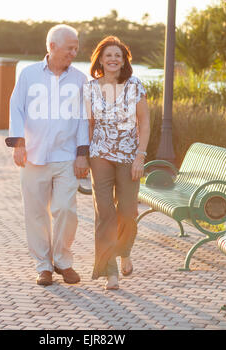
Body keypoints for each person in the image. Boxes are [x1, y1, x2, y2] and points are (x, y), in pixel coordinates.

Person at [5, 24, 89, 286]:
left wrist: (82, 153)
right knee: (36, 213)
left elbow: (83, 118)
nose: (74, 53)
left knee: (66, 209)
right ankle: (43, 265)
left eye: (76, 48)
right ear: (52, 46)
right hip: (33, 154)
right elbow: (16, 108)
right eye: (70, 48)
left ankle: (62, 260)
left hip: (66, 156)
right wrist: (18, 143)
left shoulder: (79, 79)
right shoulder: (29, 74)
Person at [84, 36, 150, 290]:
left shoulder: (135, 85)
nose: (113, 59)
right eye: (108, 55)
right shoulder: (90, 88)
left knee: (128, 211)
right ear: (100, 59)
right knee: (105, 213)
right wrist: (83, 155)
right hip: (99, 155)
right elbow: (88, 125)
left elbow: (144, 123)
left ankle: (125, 249)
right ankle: (110, 271)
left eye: (118, 56)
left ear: (124, 61)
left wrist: (140, 156)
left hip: (128, 156)